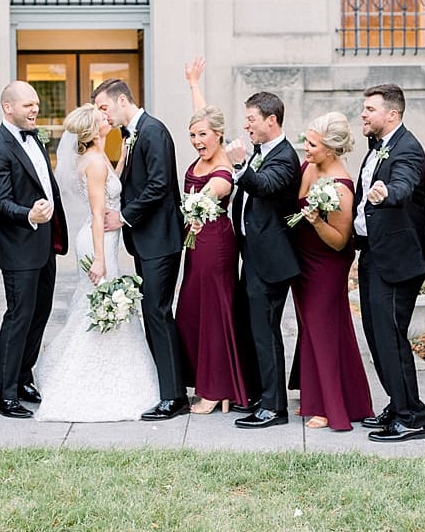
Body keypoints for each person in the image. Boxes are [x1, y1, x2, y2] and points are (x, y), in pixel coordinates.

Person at [35, 104, 160, 422]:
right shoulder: (93, 163)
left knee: (99, 306)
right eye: (101, 117)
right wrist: (101, 260)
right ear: (93, 129)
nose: (107, 117)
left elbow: (111, 186)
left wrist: (125, 157)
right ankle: (85, 379)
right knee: (101, 305)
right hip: (96, 242)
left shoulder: (98, 155)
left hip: (103, 239)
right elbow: (96, 213)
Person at [92, 78, 188, 421]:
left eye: (104, 107)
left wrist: (123, 217)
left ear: (122, 100)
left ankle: (174, 397)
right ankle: (167, 388)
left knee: (158, 313)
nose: (103, 115)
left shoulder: (153, 131)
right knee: (153, 313)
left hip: (160, 240)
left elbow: (160, 185)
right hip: (147, 241)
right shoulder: (131, 134)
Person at [0, 81, 67, 419]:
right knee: (19, 316)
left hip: (44, 242)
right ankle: (4, 394)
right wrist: (29, 215)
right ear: (8, 107)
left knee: (40, 312)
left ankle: (22, 376)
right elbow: (1, 203)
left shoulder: (35, 137)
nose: (35, 109)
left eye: (36, 104)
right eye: (28, 104)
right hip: (18, 245)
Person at [354, 84, 425, 443]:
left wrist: (387, 193)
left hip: (398, 259)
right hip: (372, 251)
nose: (363, 114)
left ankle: (412, 417)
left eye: (370, 109)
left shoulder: (408, 148)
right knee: (375, 333)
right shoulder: (377, 146)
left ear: (392, 114)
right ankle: (397, 403)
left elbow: (403, 184)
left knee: (390, 335)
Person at [288, 111, 373, 432]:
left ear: (332, 149)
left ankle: (329, 407)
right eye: (307, 141)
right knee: (312, 328)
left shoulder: (340, 187)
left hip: (326, 263)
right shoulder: (310, 165)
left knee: (322, 328)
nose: (306, 148)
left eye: (312, 144)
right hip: (302, 259)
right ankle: (319, 396)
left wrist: (316, 221)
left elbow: (339, 241)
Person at [177, 57, 249, 414]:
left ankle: (216, 389)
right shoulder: (208, 141)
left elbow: (213, 192)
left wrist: (195, 208)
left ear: (219, 134)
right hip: (197, 244)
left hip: (215, 244)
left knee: (213, 314)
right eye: (192, 135)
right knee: (193, 311)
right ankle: (206, 382)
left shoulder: (223, 169)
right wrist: (193, 83)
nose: (196, 141)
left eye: (202, 135)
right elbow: (203, 116)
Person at [227, 91, 302, 429]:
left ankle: (274, 407)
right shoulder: (261, 151)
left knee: (266, 331)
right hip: (252, 254)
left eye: (252, 119)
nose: (247, 126)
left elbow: (264, 186)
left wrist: (240, 166)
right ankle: (260, 394)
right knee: (252, 328)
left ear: (271, 120)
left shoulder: (285, 157)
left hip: (271, 260)